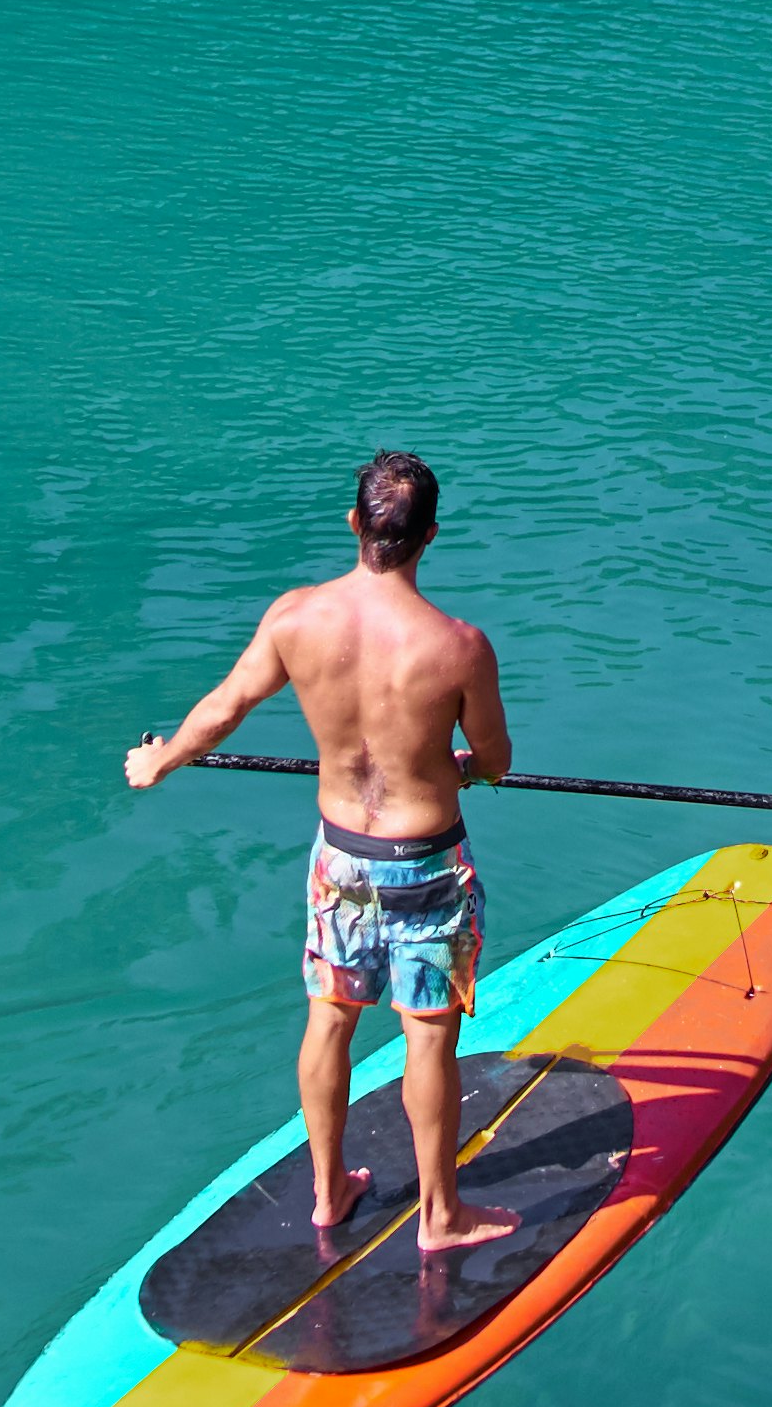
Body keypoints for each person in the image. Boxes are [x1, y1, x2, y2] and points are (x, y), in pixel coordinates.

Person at [128, 451, 524, 1258]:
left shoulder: (295, 619)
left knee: (331, 1017)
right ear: (430, 538)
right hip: (426, 865)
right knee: (426, 1035)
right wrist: (462, 767)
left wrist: (163, 759)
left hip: (339, 861)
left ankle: (326, 1191)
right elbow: (494, 760)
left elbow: (226, 706)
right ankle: (440, 1217)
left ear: (355, 524)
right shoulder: (459, 647)